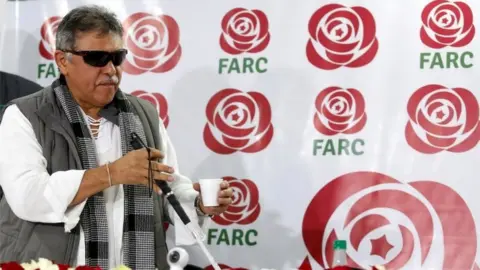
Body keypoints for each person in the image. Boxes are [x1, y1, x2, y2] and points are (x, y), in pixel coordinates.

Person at [0, 5, 233, 270]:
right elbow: (28, 196)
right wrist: (111, 174)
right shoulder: (24, 114)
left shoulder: (144, 114)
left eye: (117, 57)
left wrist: (199, 203)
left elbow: (169, 187)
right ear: (63, 61)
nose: (111, 70)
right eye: (97, 58)